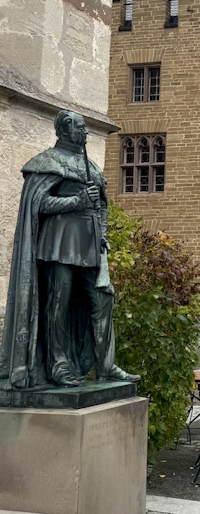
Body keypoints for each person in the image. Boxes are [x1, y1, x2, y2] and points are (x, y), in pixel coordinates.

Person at [0, 111, 137, 389]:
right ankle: (58, 365)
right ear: (65, 130)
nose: (85, 132)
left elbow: (101, 206)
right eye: (80, 127)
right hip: (59, 243)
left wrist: (103, 234)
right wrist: (75, 201)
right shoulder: (48, 161)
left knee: (103, 299)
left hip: (89, 245)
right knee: (58, 304)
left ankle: (106, 365)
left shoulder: (91, 166)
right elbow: (39, 203)